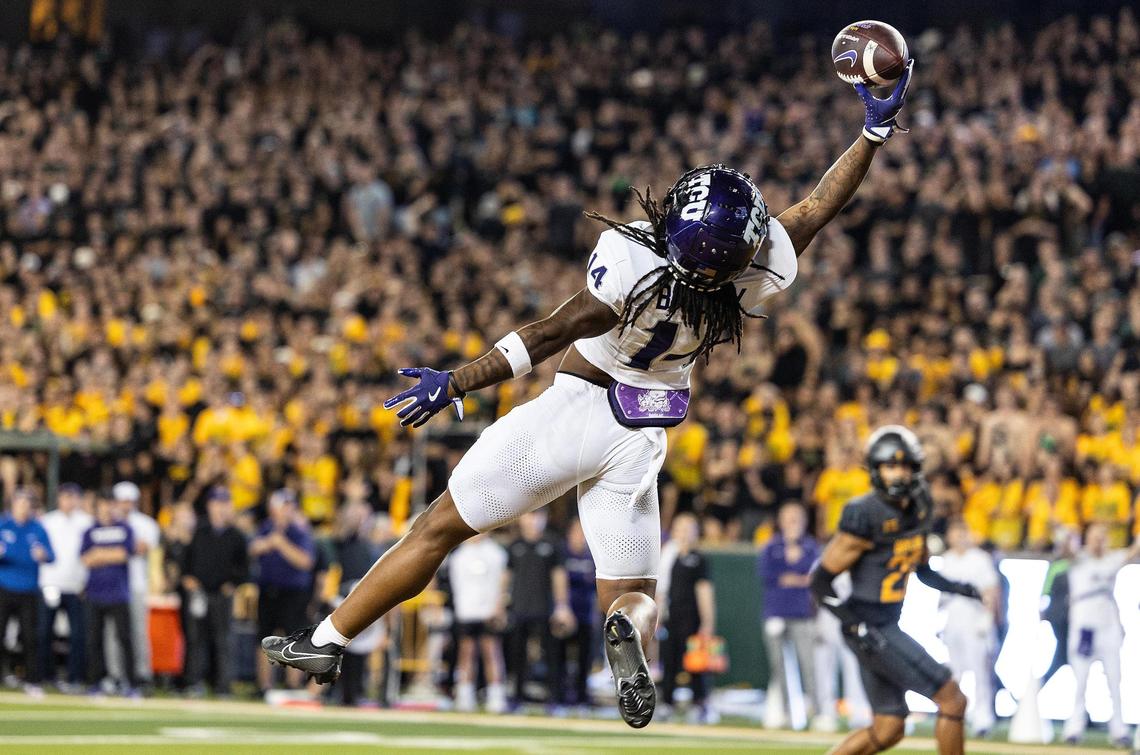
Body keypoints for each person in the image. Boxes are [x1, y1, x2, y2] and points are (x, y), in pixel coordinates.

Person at [262, 64, 916, 729]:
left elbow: (545, 335)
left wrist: (456, 380)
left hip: (573, 408)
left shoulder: (633, 263)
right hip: (640, 438)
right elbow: (817, 206)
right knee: (634, 594)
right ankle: (627, 631)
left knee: (438, 527)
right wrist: (874, 129)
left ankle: (328, 640)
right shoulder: (747, 276)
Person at [810, 426, 980, 755]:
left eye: (903, 465)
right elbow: (820, 582)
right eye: (890, 466)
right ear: (875, 470)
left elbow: (922, 570)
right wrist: (855, 624)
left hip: (886, 624)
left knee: (888, 729)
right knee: (953, 699)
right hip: (871, 626)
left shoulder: (919, 505)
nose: (898, 473)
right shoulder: (864, 513)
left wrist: (960, 588)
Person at [1061, 522, 1140, 747]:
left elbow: (1133, 551)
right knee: (1080, 680)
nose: (1098, 541)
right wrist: (1065, 535)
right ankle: (1074, 728)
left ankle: (1119, 730)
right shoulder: (1080, 559)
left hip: (1108, 626)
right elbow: (1066, 551)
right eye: (1094, 536)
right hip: (1084, 626)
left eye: (1102, 537)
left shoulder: (1111, 559)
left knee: (1115, 680)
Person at [180, 487, 248, 696]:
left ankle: (222, 685)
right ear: (209, 505)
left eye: (224, 503)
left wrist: (233, 583)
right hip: (199, 592)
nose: (220, 508)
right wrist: (187, 577)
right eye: (216, 503)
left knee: (222, 640)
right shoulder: (199, 531)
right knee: (195, 638)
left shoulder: (236, 536)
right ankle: (194, 682)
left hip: (221, 593)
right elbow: (186, 560)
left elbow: (244, 567)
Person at [758, 502, 820, 729]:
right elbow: (769, 576)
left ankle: (818, 713)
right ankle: (785, 713)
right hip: (775, 613)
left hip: (803, 614)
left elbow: (814, 577)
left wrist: (791, 578)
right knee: (779, 666)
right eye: (788, 517)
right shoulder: (771, 546)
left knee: (809, 665)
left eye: (797, 517)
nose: (792, 522)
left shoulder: (812, 547)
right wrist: (797, 578)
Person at [504, 511, 574, 709]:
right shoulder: (515, 546)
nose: (533, 520)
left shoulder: (552, 544)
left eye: (537, 515)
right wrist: (501, 603)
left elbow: (559, 576)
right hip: (520, 608)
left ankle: (555, 699)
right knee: (517, 656)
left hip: (545, 608)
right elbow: (506, 577)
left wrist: (562, 606)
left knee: (552, 655)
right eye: (529, 515)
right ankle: (516, 699)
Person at [937, 520, 1000, 737]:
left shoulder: (979, 559)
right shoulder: (946, 560)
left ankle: (983, 718)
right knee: (954, 672)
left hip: (974, 620)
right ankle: (954, 715)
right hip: (952, 621)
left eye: (962, 532)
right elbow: (942, 597)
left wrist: (987, 618)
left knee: (980, 671)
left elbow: (991, 590)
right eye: (955, 533)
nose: (959, 537)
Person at [251, 489, 315, 694]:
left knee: (294, 638)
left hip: (293, 592)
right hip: (268, 589)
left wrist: (280, 544)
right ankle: (264, 686)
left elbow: (306, 561)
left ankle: (292, 684)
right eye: (283, 507)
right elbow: (252, 548)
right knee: (264, 638)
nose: (286, 511)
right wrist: (272, 541)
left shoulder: (299, 531)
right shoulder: (266, 528)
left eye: (289, 507)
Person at [658, 512, 716, 723]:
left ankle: (699, 704)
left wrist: (707, 622)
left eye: (688, 529)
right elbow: (661, 591)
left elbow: (704, 590)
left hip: (691, 620)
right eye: (679, 528)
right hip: (670, 618)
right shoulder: (668, 557)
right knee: (669, 662)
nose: (683, 534)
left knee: (695, 665)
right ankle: (667, 703)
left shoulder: (698, 559)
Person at [38, 482, 94, 692]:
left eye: (73, 497)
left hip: (76, 586)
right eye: (65, 497)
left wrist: (85, 582)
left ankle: (74, 677)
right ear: (59, 499)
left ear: (79, 499)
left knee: (78, 634)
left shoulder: (87, 522)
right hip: (51, 584)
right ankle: (46, 675)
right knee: (45, 631)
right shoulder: (47, 521)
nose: (69, 501)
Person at [81, 490, 137, 695]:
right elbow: (86, 559)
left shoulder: (125, 528)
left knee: (125, 639)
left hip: (119, 593)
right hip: (95, 593)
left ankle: (131, 683)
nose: (106, 509)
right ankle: (97, 682)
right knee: (94, 640)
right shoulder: (89, 531)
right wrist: (109, 554)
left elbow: (124, 554)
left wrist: (99, 554)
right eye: (102, 505)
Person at [0, 489, 55, 695]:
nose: (23, 507)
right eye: (19, 503)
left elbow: (52, 556)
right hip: (4, 588)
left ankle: (32, 681)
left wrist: (44, 554)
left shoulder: (38, 528)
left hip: (29, 590)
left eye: (26, 503)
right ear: (12, 505)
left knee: (31, 638)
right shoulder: (3, 524)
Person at [446, 533, 508, 713]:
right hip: (467, 612)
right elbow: (457, 584)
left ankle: (496, 696)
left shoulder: (495, 553)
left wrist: (498, 607)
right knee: (466, 653)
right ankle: (465, 695)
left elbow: (502, 581)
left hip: (489, 611)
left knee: (492, 652)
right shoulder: (459, 555)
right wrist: (460, 610)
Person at [111, 481, 160, 687]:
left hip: (136, 584)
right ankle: (115, 675)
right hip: (111, 585)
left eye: (129, 501)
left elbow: (140, 548)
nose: (126, 505)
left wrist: (112, 551)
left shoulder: (146, 524)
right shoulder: (109, 521)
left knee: (138, 631)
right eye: (122, 501)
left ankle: (142, 674)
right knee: (112, 633)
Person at [563, 518, 597, 708]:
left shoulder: (592, 557)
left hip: (585, 614)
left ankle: (582, 695)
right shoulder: (563, 555)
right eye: (577, 532)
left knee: (585, 657)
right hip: (566, 614)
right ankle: (562, 694)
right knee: (561, 656)